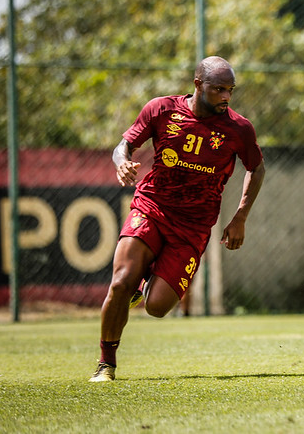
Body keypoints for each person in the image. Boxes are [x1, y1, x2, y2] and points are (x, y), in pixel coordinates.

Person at [89, 56, 265, 382]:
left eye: (230, 90)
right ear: (198, 85)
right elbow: (124, 145)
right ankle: (106, 364)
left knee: (157, 307)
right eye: (218, 90)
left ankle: (145, 283)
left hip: (193, 226)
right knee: (120, 281)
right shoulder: (161, 109)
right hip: (152, 207)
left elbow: (256, 168)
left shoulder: (238, 128)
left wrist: (240, 216)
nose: (226, 97)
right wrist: (122, 161)